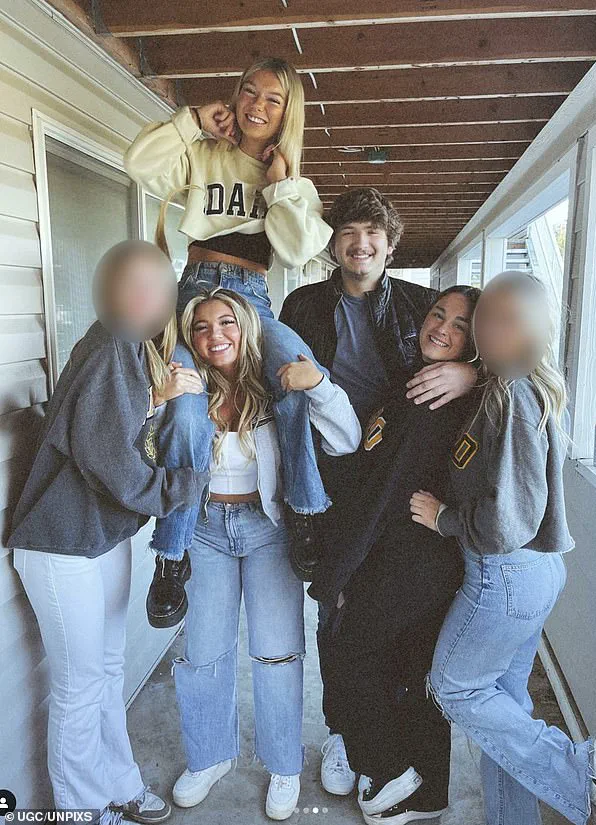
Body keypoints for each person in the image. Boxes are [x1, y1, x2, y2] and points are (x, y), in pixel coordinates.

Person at [410, 271, 596, 825]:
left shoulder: (511, 395)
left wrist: (444, 519)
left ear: (538, 329)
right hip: (535, 573)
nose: (490, 327)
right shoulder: (518, 385)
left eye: (508, 319)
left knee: (456, 687)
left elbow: (509, 521)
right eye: (485, 315)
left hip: (503, 575)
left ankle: (579, 772)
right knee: (505, 705)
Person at [279, 188, 478, 795]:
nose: (360, 244)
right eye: (348, 232)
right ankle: (344, 732)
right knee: (335, 608)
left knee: (387, 620)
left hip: (400, 463)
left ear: (391, 246)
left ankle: (381, 735)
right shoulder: (303, 304)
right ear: (332, 243)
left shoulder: (422, 305)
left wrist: (470, 371)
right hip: (331, 472)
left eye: (373, 234)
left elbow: (493, 347)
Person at [124, 56, 334, 628]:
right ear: (235, 96)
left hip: (253, 299)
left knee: (297, 374)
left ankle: (304, 512)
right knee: (186, 405)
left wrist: (282, 185)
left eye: (273, 99)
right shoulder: (205, 153)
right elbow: (139, 164)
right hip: (194, 294)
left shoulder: (293, 183)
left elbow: (298, 250)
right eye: (249, 92)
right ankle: (172, 554)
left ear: (287, 113)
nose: (257, 106)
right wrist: (190, 121)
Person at [8, 242, 212, 825]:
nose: (155, 300)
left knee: (108, 670)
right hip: (62, 544)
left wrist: (157, 398)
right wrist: (179, 487)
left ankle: (118, 783)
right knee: (77, 689)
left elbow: (105, 421)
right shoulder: (111, 344)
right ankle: (82, 809)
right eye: (143, 287)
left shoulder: (124, 345)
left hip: (99, 538)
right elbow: (107, 458)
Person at [163, 288, 360, 821]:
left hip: (269, 529)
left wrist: (318, 384)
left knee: (278, 653)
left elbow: (346, 438)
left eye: (226, 322)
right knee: (203, 652)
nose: (215, 335)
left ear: (247, 327)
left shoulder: (278, 386)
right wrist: (157, 398)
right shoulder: (187, 389)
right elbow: (145, 449)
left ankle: (283, 765)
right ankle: (209, 757)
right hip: (205, 531)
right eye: (201, 326)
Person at [310, 286, 480, 824]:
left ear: (475, 341)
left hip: (411, 561)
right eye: (438, 314)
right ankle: (427, 791)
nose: (442, 328)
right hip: (402, 557)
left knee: (352, 652)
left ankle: (388, 772)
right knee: (408, 668)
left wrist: (338, 572)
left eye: (459, 326)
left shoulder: (438, 396)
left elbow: (382, 497)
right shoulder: (414, 381)